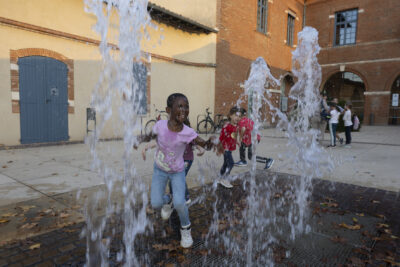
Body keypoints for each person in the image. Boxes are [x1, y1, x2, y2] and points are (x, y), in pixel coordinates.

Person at [139, 93, 215, 248]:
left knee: (181, 203)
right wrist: (140, 141)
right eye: (179, 106)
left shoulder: (187, 132)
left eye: (186, 106)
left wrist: (210, 143)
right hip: (159, 170)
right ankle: (169, 199)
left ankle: (186, 229)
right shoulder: (160, 125)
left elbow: (202, 143)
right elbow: (151, 136)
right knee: (155, 203)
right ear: (168, 109)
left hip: (177, 172)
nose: (184, 109)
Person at [217, 106, 241, 188]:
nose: (237, 118)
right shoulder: (226, 126)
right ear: (230, 115)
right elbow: (221, 137)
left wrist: (236, 141)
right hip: (225, 148)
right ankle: (225, 179)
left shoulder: (236, 126)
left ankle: (220, 177)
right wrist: (219, 148)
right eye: (236, 115)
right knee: (231, 163)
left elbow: (233, 135)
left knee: (225, 163)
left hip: (230, 148)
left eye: (239, 116)